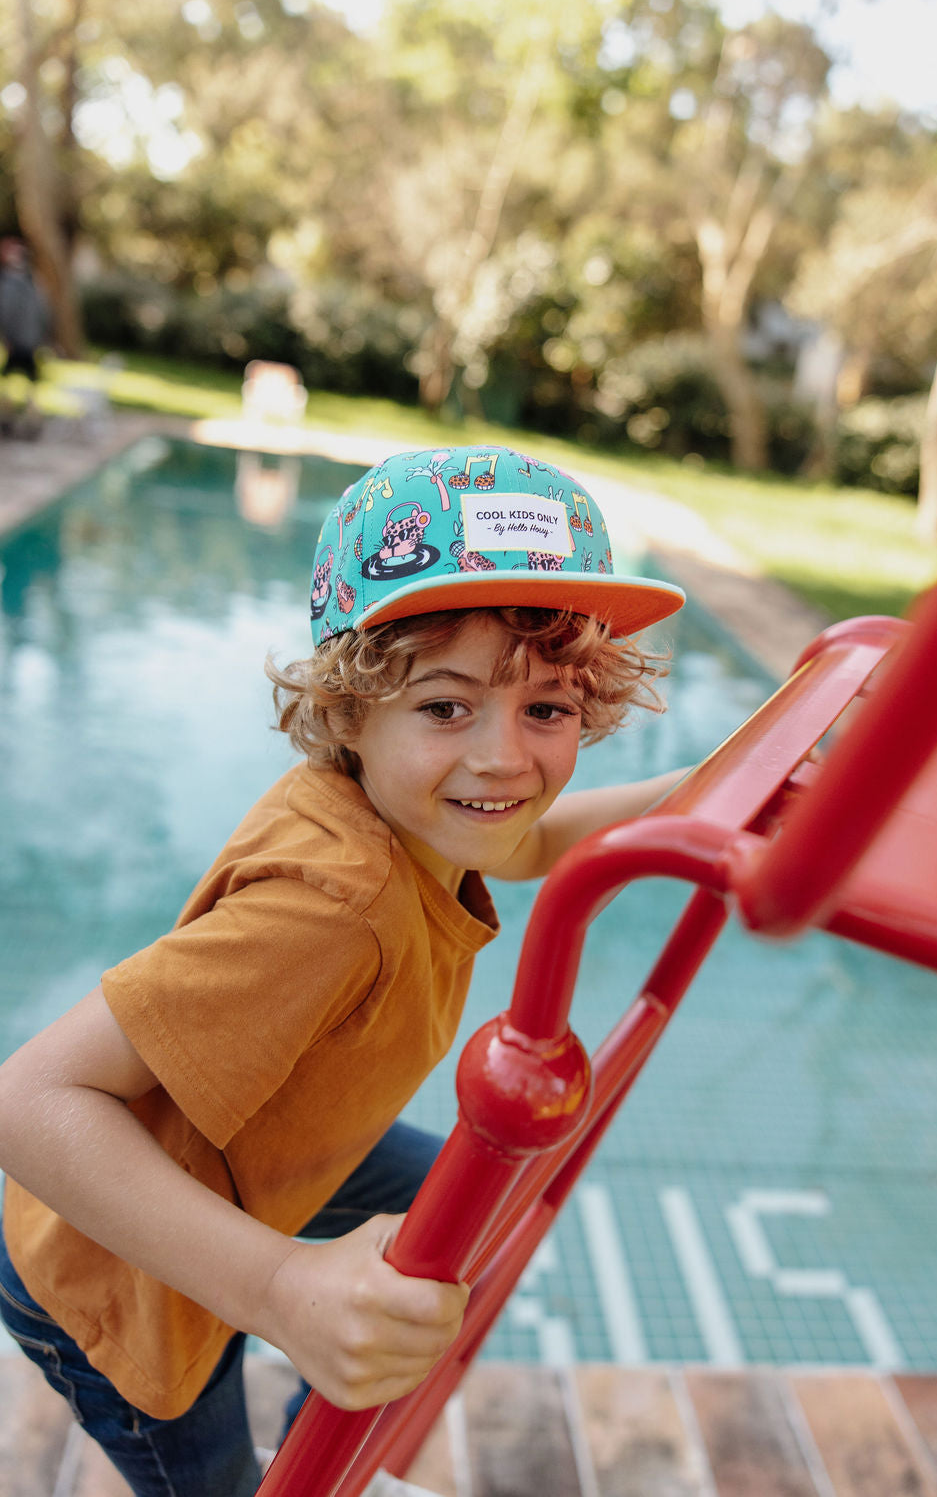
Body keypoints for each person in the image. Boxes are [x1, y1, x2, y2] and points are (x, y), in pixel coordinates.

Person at [0, 443, 687, 1497]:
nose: (504, 758)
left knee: (456, 1201)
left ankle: (320, 1380)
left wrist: (715, 779)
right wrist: (279, 1287)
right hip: (116, 1276)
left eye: (545, 708)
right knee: (217, 1477)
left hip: (254, 1149)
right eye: (447, 706)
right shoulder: (331, 903)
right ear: (348, 707)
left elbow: (536, 843)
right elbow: (30, 1097)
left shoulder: (422, 809)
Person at [0, 237, 50, 439]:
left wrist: (10, 337)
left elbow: (40, 311)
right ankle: (13, 418)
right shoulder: (25, 281)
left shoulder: (22, 282)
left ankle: (21, 420)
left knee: (22, 384)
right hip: (25, 341)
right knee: (16, 383)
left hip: (25, 341)